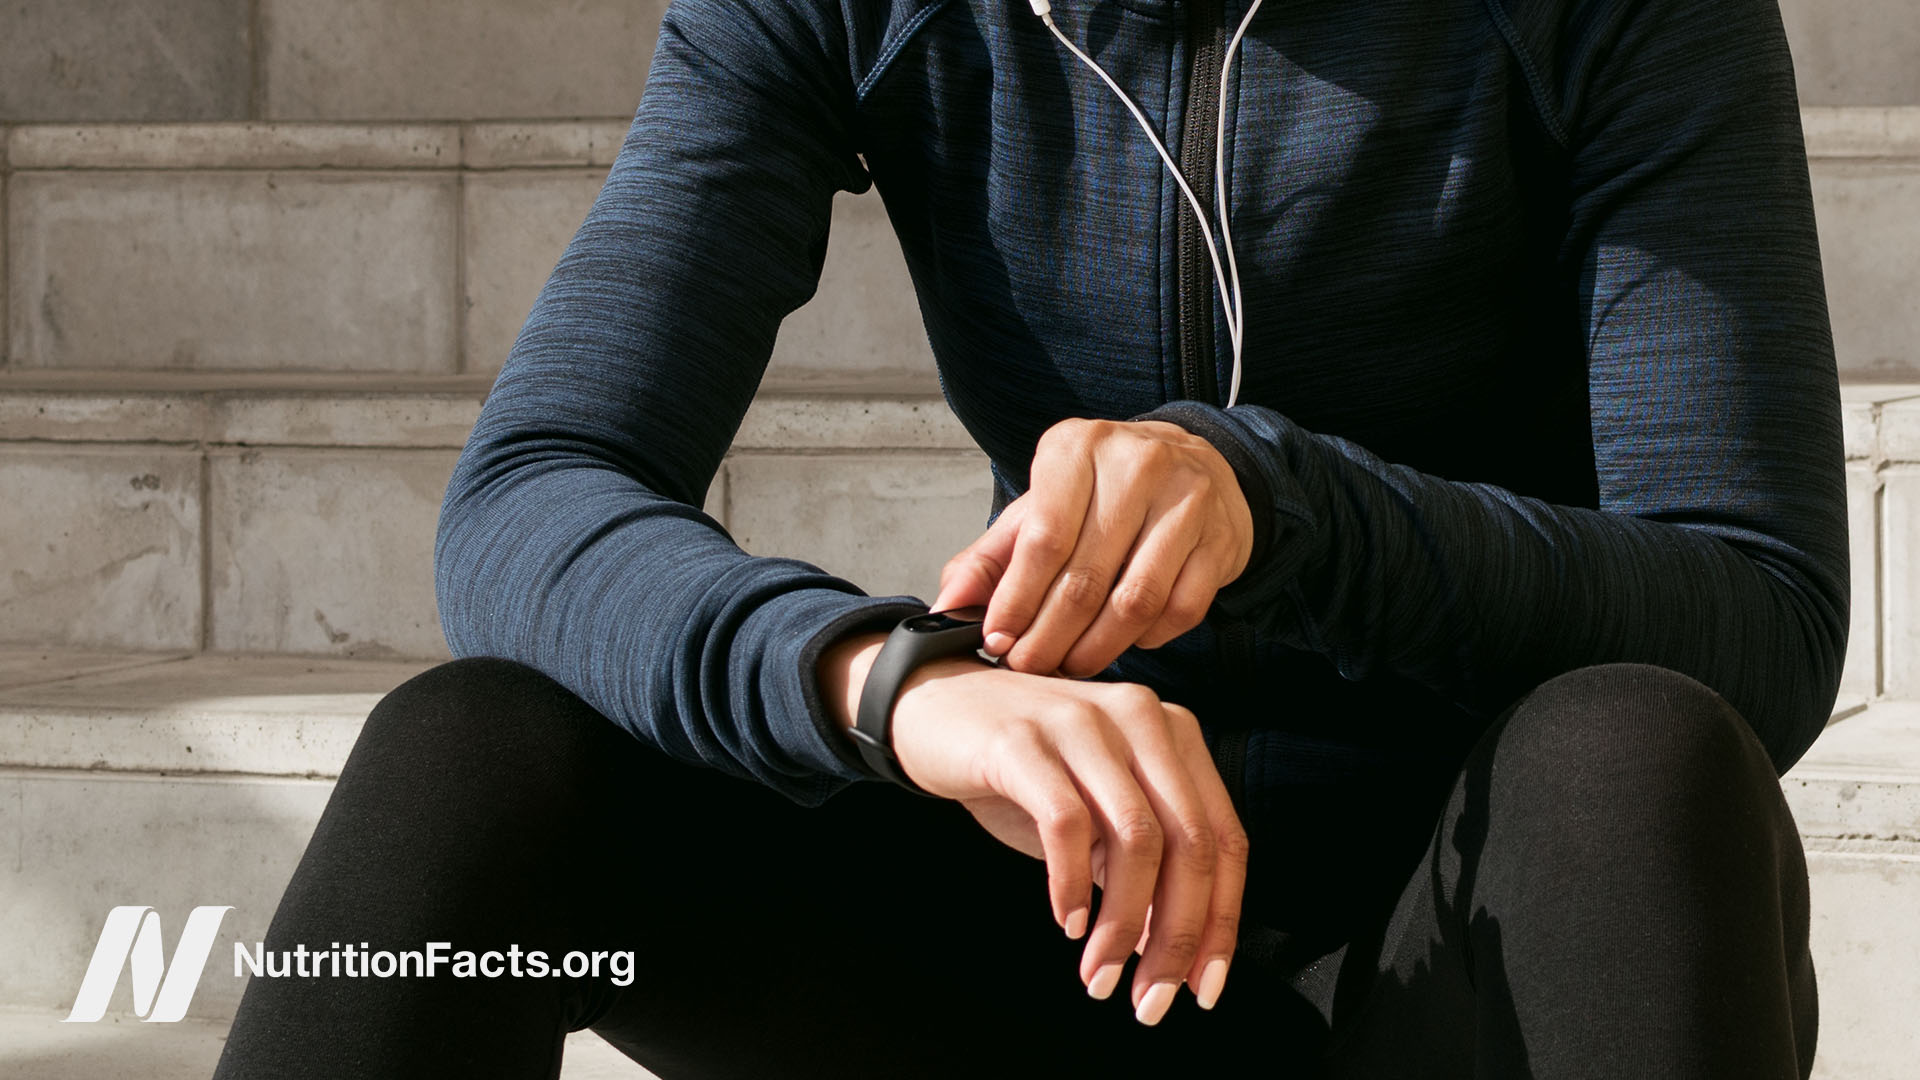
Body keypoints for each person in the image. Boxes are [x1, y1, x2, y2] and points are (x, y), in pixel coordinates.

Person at [214, 0, 1846, 1074]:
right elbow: (533, 490)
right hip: (1048, 939)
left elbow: (1757, 612)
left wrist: (1289, 506)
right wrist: (887, 683)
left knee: (1635, 757)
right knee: (474, 755)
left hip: (1482, 947)